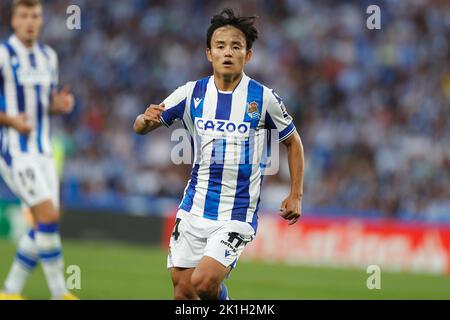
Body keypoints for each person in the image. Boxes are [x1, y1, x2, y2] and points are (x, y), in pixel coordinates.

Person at [134, 8, 304, 300]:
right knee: (183, 292)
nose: (228, 52)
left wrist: (296, 194)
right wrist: (144, 120)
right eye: (220, 46)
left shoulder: (263, 98)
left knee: (203, 282)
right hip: (194, 206)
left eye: (236, 46)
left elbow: (293, 142)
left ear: (248, 55)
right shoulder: (191, 93)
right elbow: (141, 126)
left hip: (236, 212)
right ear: (208, 53)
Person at [0, 0, 77, 300]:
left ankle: (10, 291)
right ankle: (60, 293)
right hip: (15, 151)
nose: (30, 21)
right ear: (14, 20)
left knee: (47, 219)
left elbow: (45, 104)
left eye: (35, 15)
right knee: (46, 214)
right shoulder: (4, 54)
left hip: (44, 150)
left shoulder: (48, 57)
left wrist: (57, 106)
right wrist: (10, 121)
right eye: (24, 15)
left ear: (41, 20)